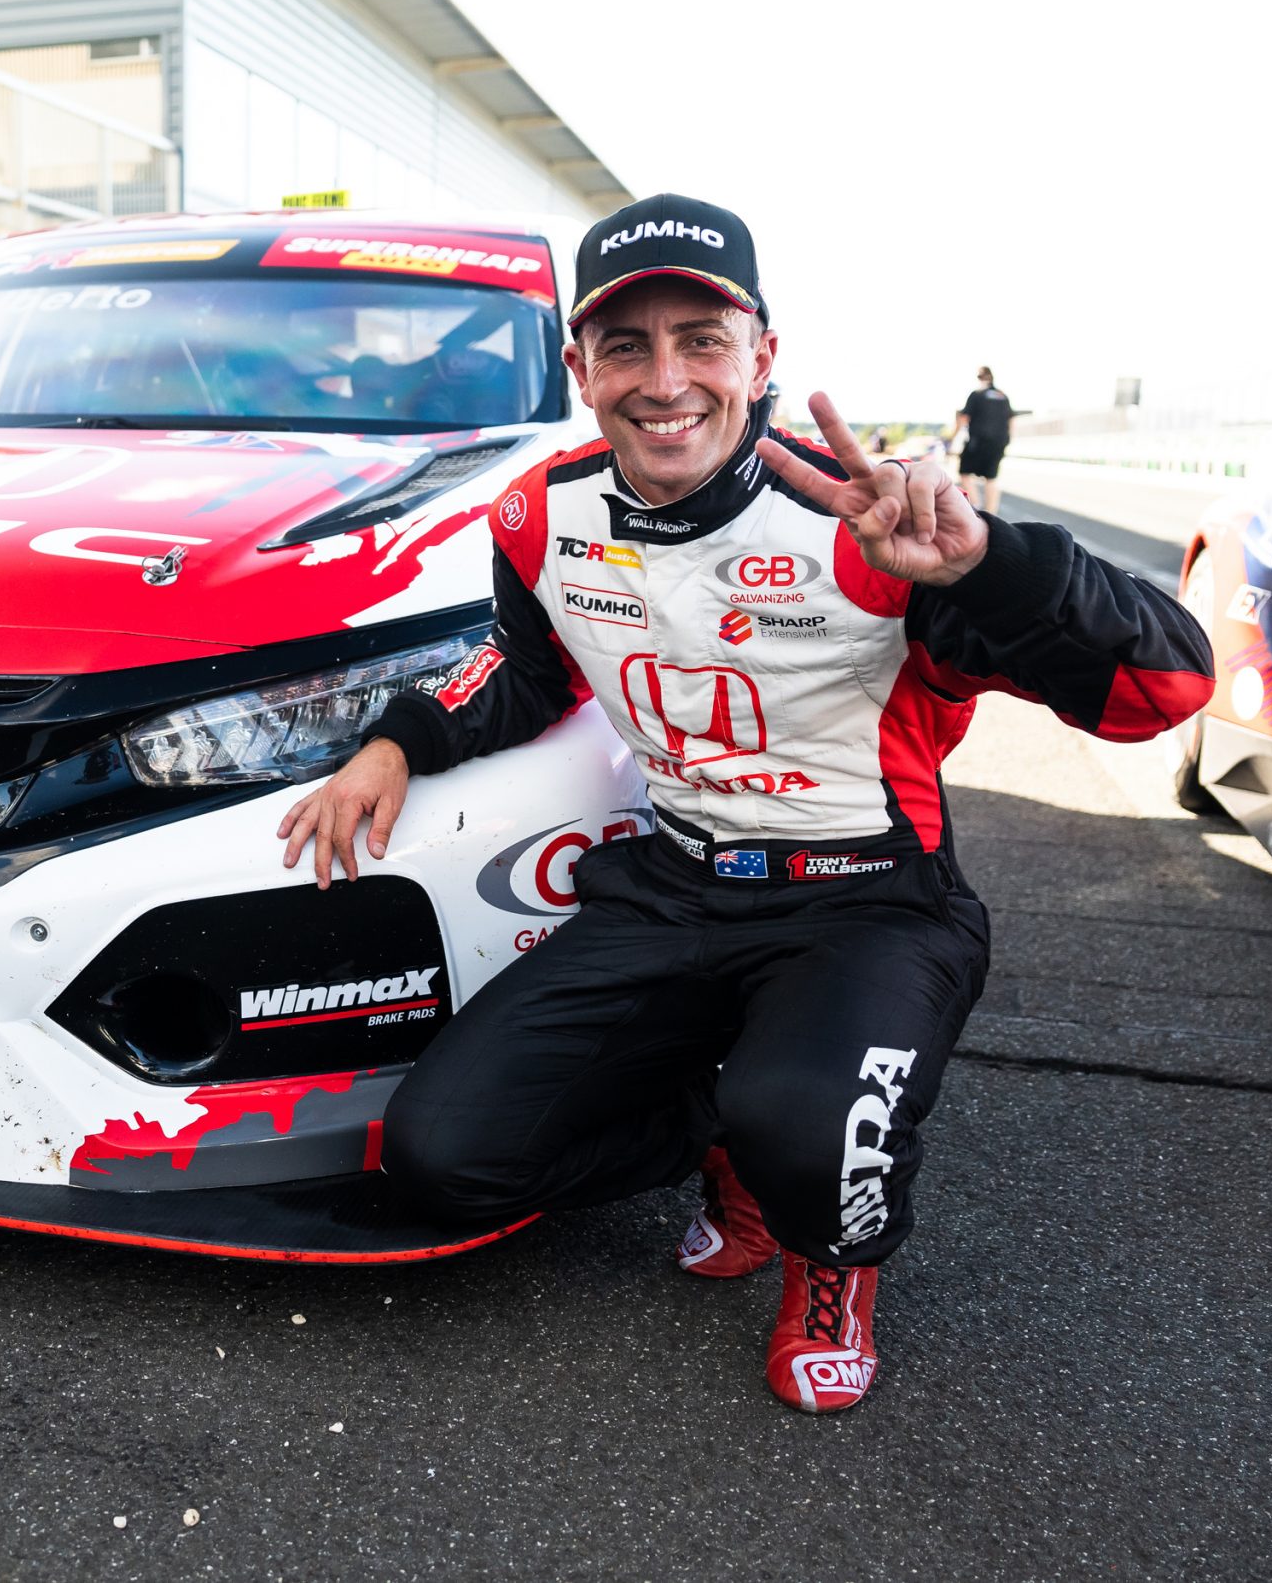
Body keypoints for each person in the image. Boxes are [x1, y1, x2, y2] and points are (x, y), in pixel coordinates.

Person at [277, 193, 1212, 1414]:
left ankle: (827, 1250)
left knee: (813, 1139)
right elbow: (524, 670)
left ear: (761, 356)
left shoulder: (872, 523)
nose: (665, 380)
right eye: (626, 345)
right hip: (672, 890)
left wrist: (990, 562)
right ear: (581, 369)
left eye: (701, 339)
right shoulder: (536, 514)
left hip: (869, 906)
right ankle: (721, 1138)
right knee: (443, 1158)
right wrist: (395, 742)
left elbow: (1164, 688)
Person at [955, 366, 1015, 512]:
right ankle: (992, 514)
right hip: (999, 442)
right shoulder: (1002, 395)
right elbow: (1011, 420)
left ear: (980, 378)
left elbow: (963, 418)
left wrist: (953, 437)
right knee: (991, 477)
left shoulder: (977, 394)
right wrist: (1008, 439)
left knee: (964, 472)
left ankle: (976, 507)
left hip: (978, 441)